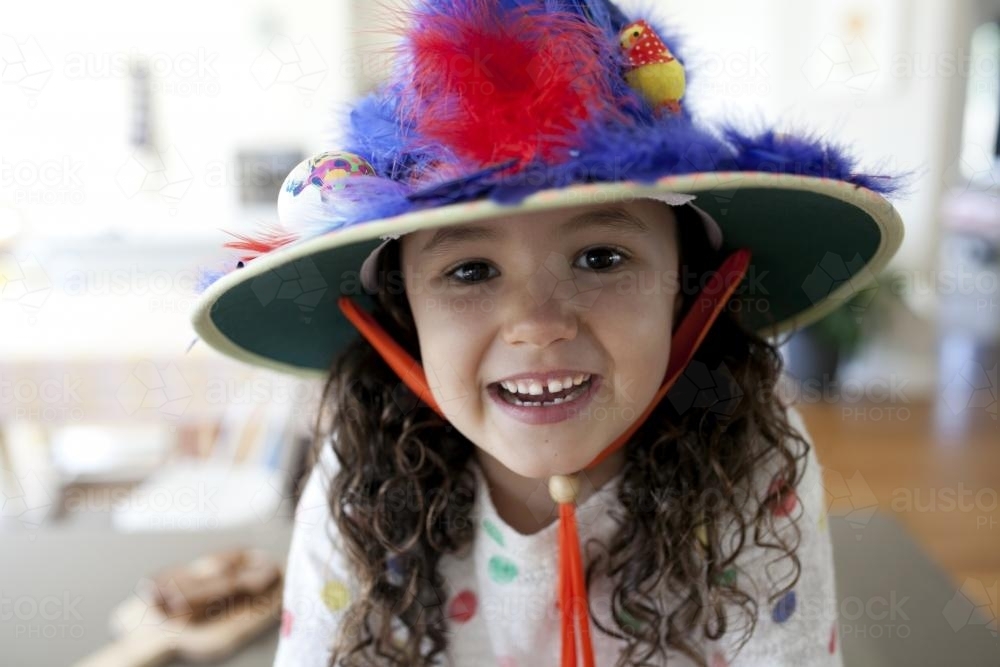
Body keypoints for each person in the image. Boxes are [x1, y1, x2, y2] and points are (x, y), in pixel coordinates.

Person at [190, 1, 906, 665]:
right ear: (404, 311)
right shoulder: (361, 477)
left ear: (687, 283)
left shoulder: (752, 461)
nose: (537, 326)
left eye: (600, 257)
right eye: (470, 270)